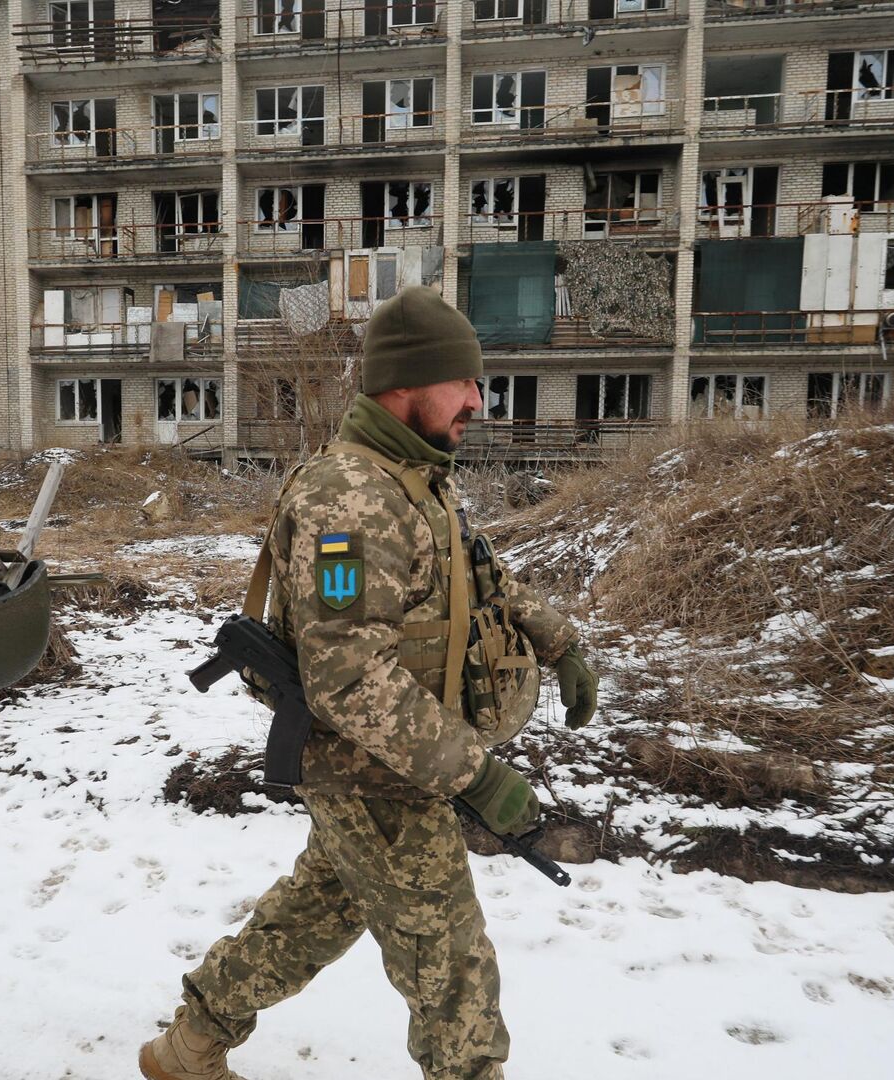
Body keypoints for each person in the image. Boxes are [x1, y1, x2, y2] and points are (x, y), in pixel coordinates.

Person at [139, 286, 601, 1080]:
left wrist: (558, 642)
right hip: (370, 773)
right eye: (463, 383)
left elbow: (480, 578)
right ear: (407, 385)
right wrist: (479, 776)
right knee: (451, 968)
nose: (477, 403)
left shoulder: (415, 477)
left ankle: (191, 1045)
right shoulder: (347, 502)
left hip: (397, 765)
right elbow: (349, 679)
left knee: (315, 914)